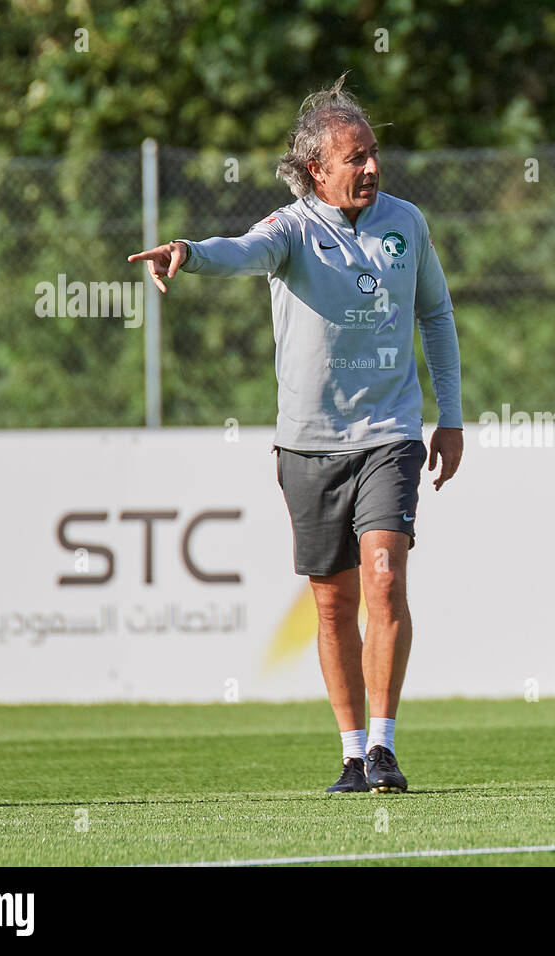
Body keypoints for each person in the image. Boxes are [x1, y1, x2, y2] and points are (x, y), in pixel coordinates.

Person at [128, 75, 463, 794]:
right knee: (334, 601)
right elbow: (240, 251)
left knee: (383, 576)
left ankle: (383, 748)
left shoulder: (408, 223)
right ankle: (348, 752)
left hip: (391, 433)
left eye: (373, 153)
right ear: (317, 170)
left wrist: (452, 417)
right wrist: (189, 250)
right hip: (308, 443)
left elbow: (435, 316)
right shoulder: (292, 229)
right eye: (354, 159)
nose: (371, 167)